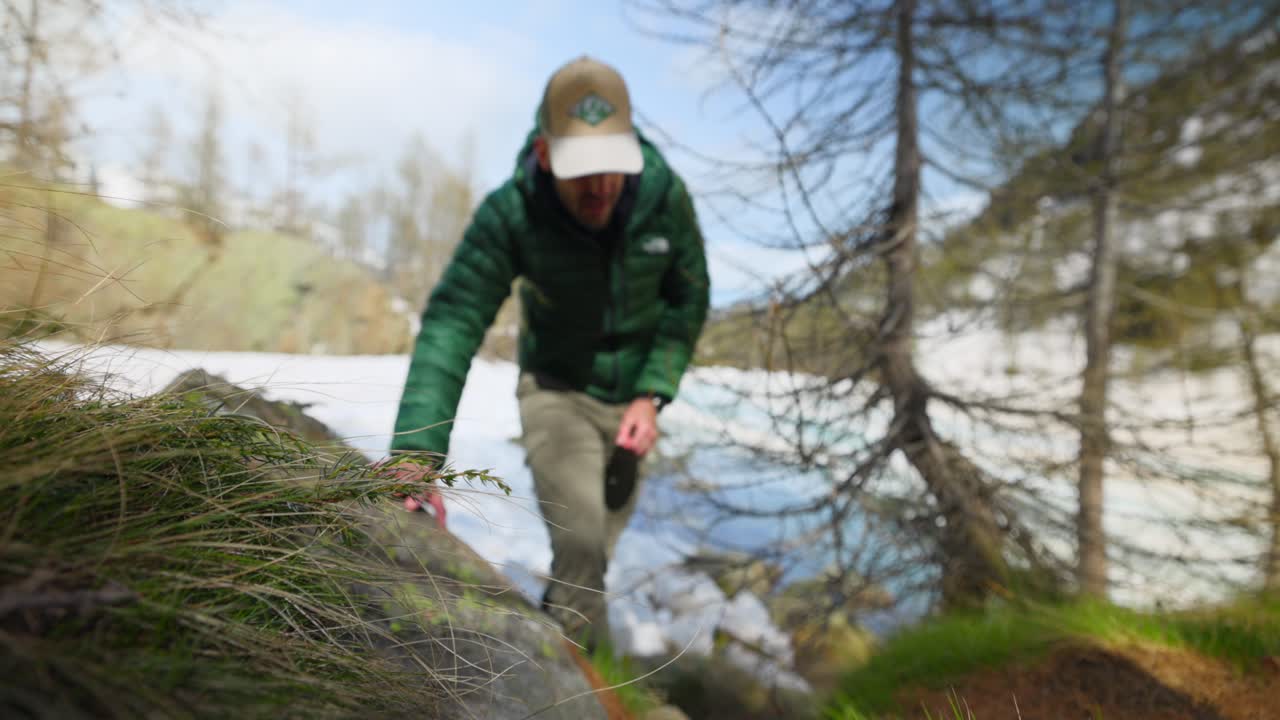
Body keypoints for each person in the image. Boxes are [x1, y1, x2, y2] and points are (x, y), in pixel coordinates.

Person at [388, 56, 710, 650]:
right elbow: (453, 322)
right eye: (580, 169)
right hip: (556, 391)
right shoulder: (513, 212)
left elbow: (688, 299)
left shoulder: (665, 201)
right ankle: (586, 690)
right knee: (583, 544)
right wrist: (416, 454)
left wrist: (652, 392)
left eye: (611, 166)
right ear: (543, 154)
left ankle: (549, 648)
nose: (600, 186)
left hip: (632, 402)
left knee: (590, 556)